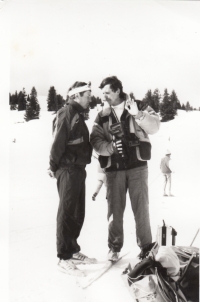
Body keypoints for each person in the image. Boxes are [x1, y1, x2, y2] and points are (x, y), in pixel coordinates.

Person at [90, 76, 160, 261]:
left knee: (141, 208)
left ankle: (146, 247)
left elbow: (155, 127)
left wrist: (138, 115)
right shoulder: (102, 114)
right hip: (113, 169)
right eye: (102, 93)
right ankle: (114, 248)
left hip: (138, 167)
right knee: (114, 210)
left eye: (107, 92)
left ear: (117, 91)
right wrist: (110, 147)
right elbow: (95, 140)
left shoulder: (139, 105)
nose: (103, 96)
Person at [48, 81, 96, 277]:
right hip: (67, 169)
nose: (90, 98)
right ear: (76, 96)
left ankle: (73, 250)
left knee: (77, 212)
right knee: (67, 213)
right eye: (87, 95)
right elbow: (57, 143)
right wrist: (53, 166)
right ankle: (63, 257)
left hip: (78, 169)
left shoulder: (78, 115)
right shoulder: (67, 113)